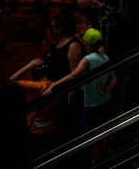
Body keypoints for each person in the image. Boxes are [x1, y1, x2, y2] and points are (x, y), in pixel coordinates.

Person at [44, 28, 116, 158]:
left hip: (91, 104)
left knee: (88, 133)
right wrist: (106, 88)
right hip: (105, 100)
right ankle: (106, 156)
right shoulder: (105, 56)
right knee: (102, 129)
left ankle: (97, 160)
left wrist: (55, 84)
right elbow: (114, 78)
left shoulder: (87, 60)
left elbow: (73, 76)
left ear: (88, 44)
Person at [8, 58, 60, 159]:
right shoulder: (53, 85)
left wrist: (28, 65)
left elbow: (12, 79)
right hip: (52, 128)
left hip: (36, 131)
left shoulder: (36, 86)